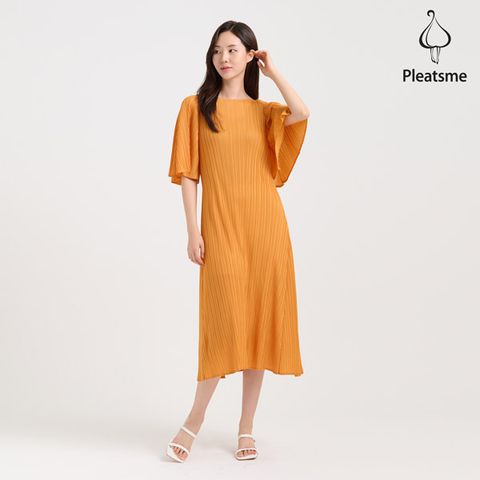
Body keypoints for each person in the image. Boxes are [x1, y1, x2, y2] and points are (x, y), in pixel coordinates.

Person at [166, 20, 309, 462]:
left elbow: (301, 112)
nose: (223, 58)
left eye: (232, 50)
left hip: (266, 230)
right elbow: (188, 174)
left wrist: (273, 72)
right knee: (223, 323)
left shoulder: (265, 112)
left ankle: (246, 427)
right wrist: (193, 230)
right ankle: (194, 420)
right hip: (221, 230)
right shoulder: (196, 107)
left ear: (250, 55)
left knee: (257, 327)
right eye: (217, 50)